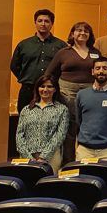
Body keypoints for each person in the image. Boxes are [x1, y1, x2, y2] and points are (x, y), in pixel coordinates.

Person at [44, 21, 99, 163]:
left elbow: (101, 72)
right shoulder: (63, 52)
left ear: (90, 35)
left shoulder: (95, 52)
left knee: (86, 125)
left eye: (86, 30)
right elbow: (50, 74)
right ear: (72, 34)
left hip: (90, 92)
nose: (82, 33)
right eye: (78, 30)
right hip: (67, 92)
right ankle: (68, 163)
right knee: (69, 127)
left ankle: (85, 161)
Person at [10, 9, 66, 113]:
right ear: (35, 22)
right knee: (25, 120)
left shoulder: (61, 46)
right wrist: (27, 77)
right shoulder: (24, 44)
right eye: (40, 21)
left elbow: (64, 67)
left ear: (52, 24)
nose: (43, 24)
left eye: (46, 21)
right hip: (28, 90)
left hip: (51, 91)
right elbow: (14, 66)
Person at [15, 74, 69, 171]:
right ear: (37, 88)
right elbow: (19, 135)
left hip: (51, 157)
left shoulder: (62, 109)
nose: (45, 89)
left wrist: (44, 156)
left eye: (49, 86)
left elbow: (60, 135)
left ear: (55, 89)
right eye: (42, 86)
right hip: (27, 156)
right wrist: (28, 157)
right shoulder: (27, 109)